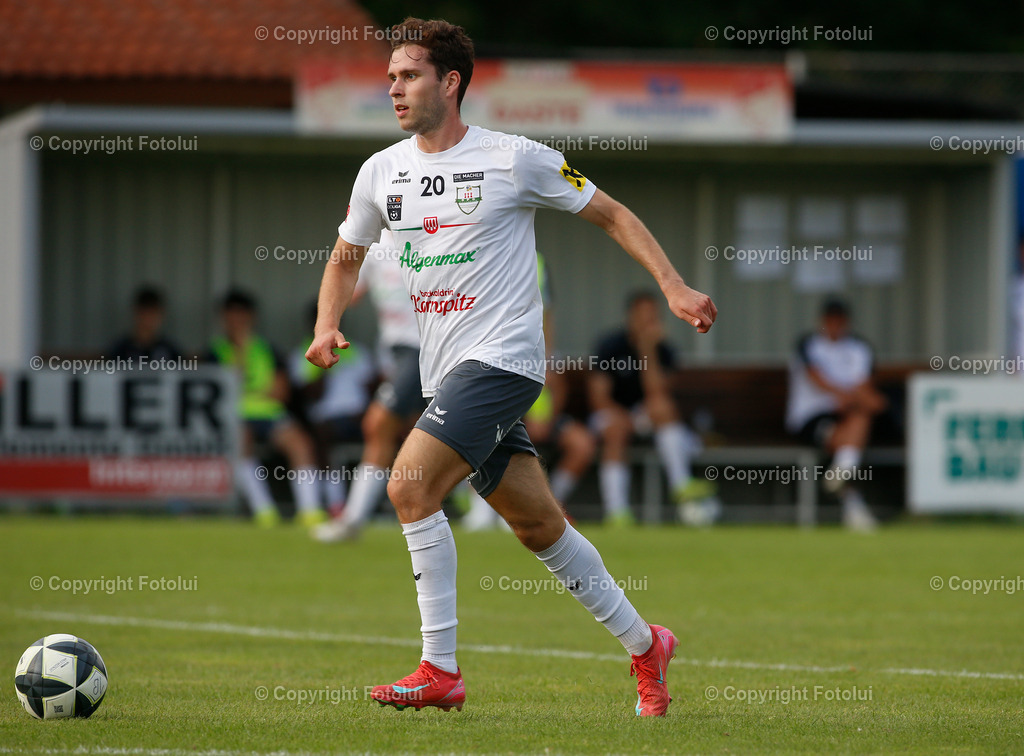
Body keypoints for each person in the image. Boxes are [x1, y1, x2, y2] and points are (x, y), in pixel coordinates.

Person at [305, 18, 716, 717]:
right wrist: (326, 324)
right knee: (539, 528)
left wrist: (673, 287)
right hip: (445, 373)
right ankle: (647, 645)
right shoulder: (380, 170)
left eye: (409, 76)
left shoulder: (514, 157)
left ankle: (440, 669)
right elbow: (347, 255)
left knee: (410, 487)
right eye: (391, 78)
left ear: (450, 82)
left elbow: (613, 214)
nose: (395, 89)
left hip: (504, 360)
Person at [462, 252, 596, 530]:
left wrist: (547, 370)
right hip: (487, 364)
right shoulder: (477, 254)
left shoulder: (536, 261)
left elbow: (547, 314)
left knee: (574, 442)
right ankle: (482, 507)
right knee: (480, 430)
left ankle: (544, 504)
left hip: (529, 373)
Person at [312, 229, 426, 542]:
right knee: (432, 429)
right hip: (395, 354)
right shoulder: (374, 245)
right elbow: (349, 286)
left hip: (422, 350)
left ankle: (353, 519)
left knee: (378, 424)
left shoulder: (427, 230)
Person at [589, 291, 715, 526]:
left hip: (644, 416)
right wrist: (621, 416)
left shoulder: (664, 350)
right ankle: (617, 512)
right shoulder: (610, 345)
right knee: (615, 431)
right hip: (612, 414)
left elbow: (657, 393)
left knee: (662, 407)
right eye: (643, 316)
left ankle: (680, 484)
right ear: (631, 316)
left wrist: (647, 350)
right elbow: (599, 397)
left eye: (653, 316)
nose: (649, 321)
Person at [208, 289, 324, 528]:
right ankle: (264, 510)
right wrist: (241, 357)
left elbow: (280, 392)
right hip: (235, 417)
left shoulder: (268, 349)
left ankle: (310, 510)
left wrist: (247, 392)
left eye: (242, 316)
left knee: (300, 444)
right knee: (241, 441)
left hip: (269, 414)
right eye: (232, 316)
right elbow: (219, 392)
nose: (237, 322)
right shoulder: (214, 352)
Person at [786, 298, 887, 531]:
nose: (835, 325)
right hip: (810, 417)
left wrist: (865, 400)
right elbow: (817, 378)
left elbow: (864, 386)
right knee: (849, 441)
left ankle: (845, 475)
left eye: (840, 320)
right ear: (822, 321)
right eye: (831, 320)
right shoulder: (808, 344)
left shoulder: (858, 348)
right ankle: (850, 492)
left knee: (859, 422)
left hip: (847, 417)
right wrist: (849, 396)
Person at [290, 303, 376, 517]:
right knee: (321, 436)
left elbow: (373, 389)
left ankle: (381, 502)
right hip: (325, 419)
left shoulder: (358, 351)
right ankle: (335, 502)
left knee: (386, 430)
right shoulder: (302, 354)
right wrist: (323, 364)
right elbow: (308, 396)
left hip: (358, 415)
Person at [109, 286, 182, 362]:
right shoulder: (121, 350)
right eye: (144, 314)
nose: (148, 319)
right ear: (136, 313)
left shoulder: (169, 351)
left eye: (152, 314)